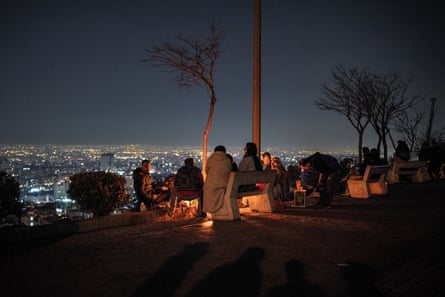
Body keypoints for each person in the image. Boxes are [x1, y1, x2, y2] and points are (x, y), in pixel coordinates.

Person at [202, 145, 233, 214]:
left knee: (206, 188)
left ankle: (206, 211)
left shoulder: (211, 159)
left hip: (212, 186)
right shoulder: (227, 160)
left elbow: (207, 170)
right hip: (224, 186)